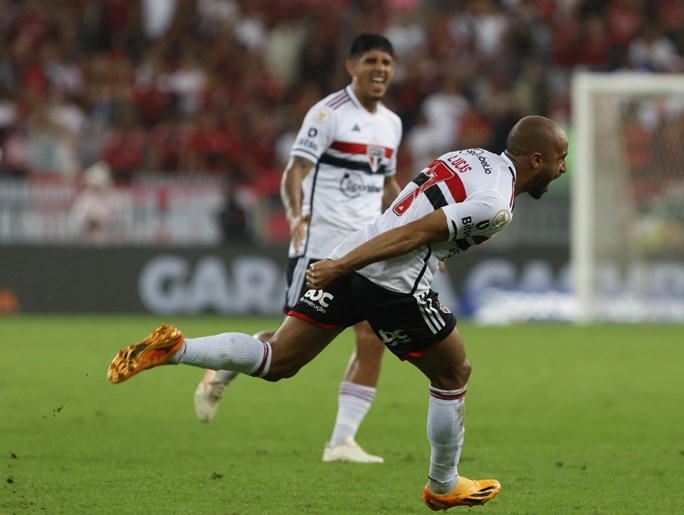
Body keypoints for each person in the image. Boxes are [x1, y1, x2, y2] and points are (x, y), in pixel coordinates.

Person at [107, 115, 568, 510]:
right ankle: (442, 487)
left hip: (355, 250)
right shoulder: (497, 205)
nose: (563, 167)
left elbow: (414, 209)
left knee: (278, 359)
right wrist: (348, 265)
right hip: (389, 279)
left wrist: (349, 261)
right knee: (453, 373)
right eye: (560, 158)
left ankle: (176, 349)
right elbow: (419, 230)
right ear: (536, 161)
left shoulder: (470, 157)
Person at [193, 32, 403, 464]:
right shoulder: (328, 114)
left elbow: (387, 187)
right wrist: (294, 217)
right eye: (371, 61)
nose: (380, 68)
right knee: (285, 350)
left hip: (363, 249)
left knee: (372, 335)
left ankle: (341, 441)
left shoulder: (392, 124)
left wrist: (409, 232)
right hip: (320, 247)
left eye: (386, 61)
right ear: (352, 66)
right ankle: (222, 371)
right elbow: (295, 170)